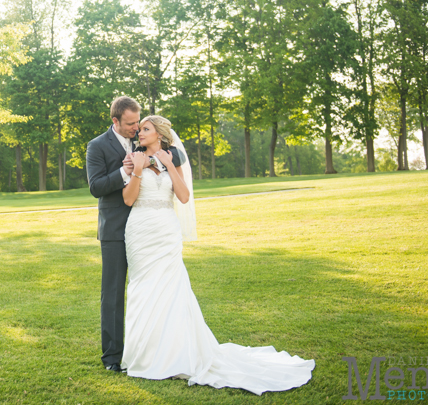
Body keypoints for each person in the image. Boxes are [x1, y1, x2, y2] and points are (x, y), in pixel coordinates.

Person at [121, 114, 315, 393]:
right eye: (139, 130)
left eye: (145, 129)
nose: (139, 133)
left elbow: (184, 197)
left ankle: (174, 352)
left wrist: (167, 165)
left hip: (165, 230)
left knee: (171, 287)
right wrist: (137, 169)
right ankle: (143, 353)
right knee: (142, 287)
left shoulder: (170, 158)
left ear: (160, 135)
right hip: (139, 230)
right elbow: (128, 199)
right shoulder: (133, 158)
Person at [85, 97, 184, 372]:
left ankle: (153, 349)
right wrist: (123, 171)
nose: (135, 129)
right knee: (114, 293)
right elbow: (96, 187)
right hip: (116, 229)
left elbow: (178, 155)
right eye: (130, 124)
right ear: (115, 121)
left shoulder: (145, 141)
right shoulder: (96, 146)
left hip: (148, 230)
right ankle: (112, 358)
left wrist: (152, 158)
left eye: (137, 124)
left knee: (151, 289)